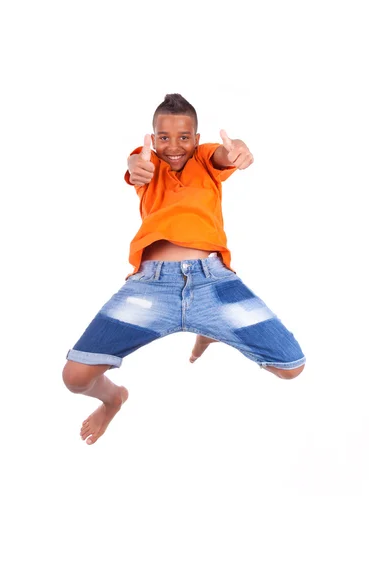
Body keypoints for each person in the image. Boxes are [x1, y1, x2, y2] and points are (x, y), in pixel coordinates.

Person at [62, 93, 306, 445]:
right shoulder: (149, 165)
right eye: (164, 137)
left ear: (196, 138)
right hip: (150, 287)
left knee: (291, 366)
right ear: (153, 138)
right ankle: (114, 398)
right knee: (75, 377)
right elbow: (135, 165)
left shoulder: (206, 159)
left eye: (183, 137)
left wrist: (237, 148)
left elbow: (226, 153)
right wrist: (136, 165)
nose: (173, 145)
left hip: (213, 283)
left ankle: (210, 326)